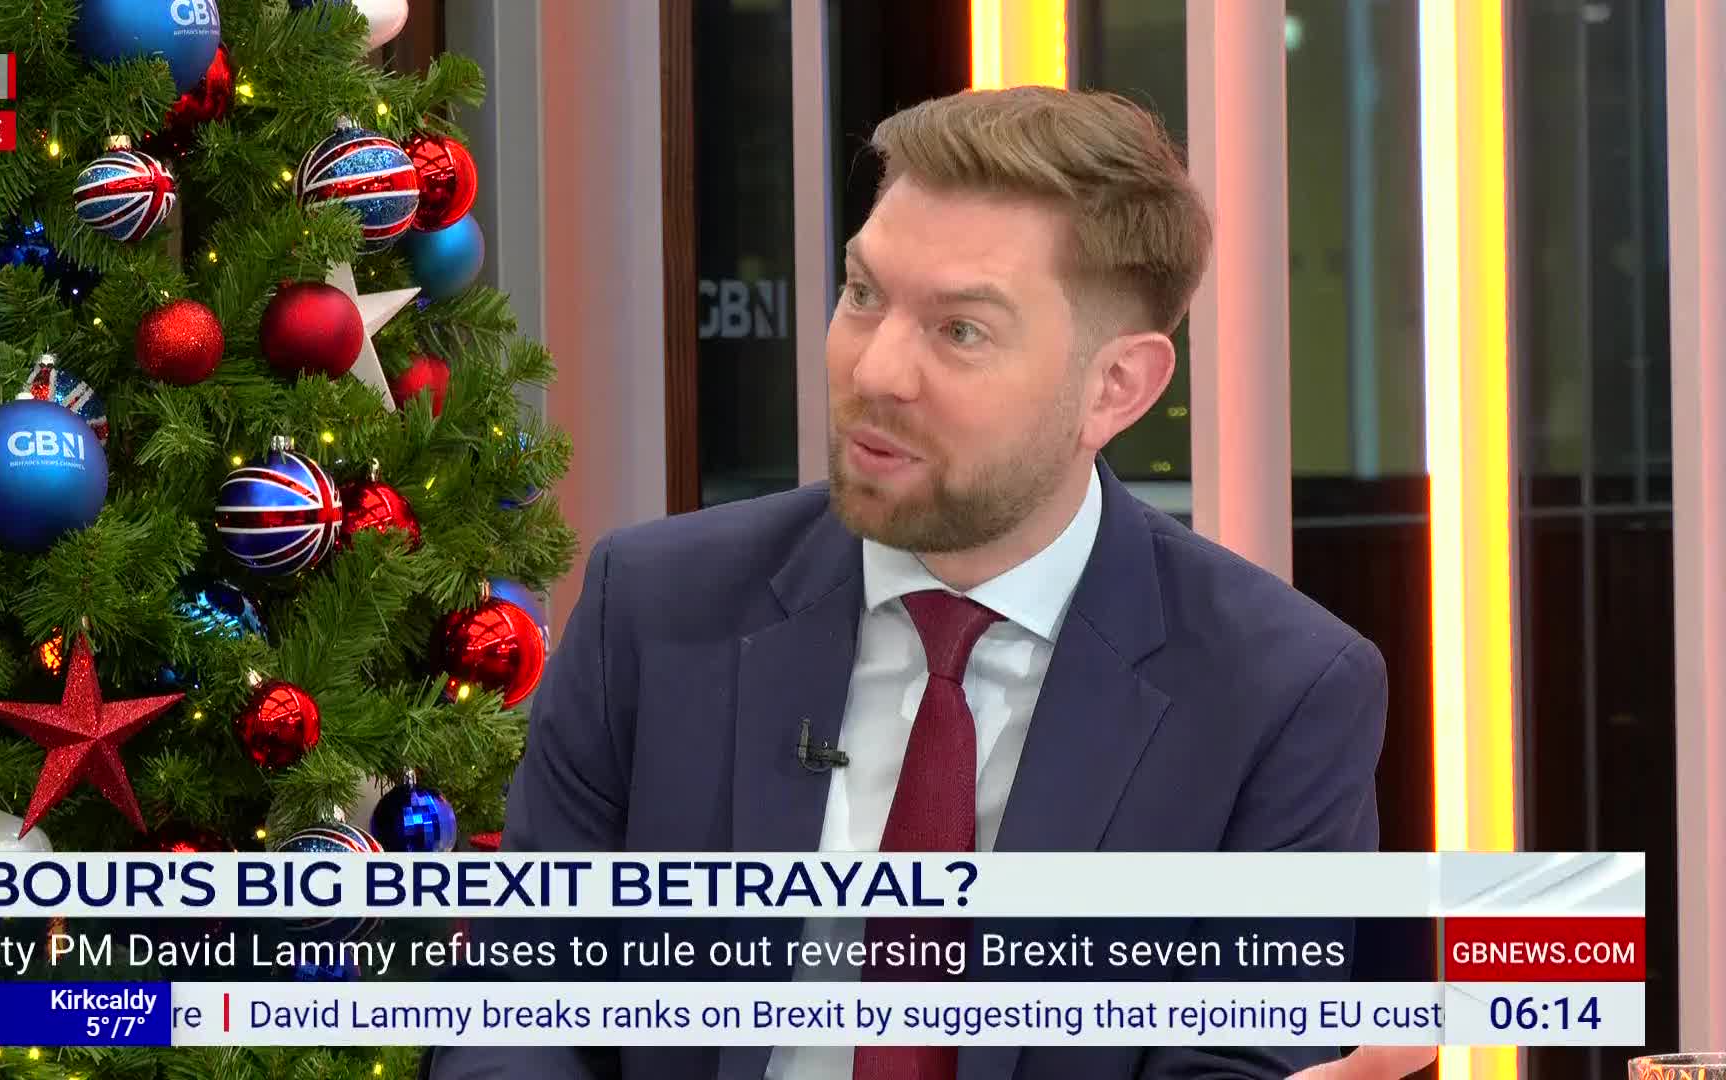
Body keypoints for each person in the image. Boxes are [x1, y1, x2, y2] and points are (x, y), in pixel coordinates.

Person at [432, 87, 1419, 1080]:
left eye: (961, 331)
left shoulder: (1279, 694)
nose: (877, 369)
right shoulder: (652, 607)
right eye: (864, 294)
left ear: (1116, 386)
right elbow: (522, 1014)